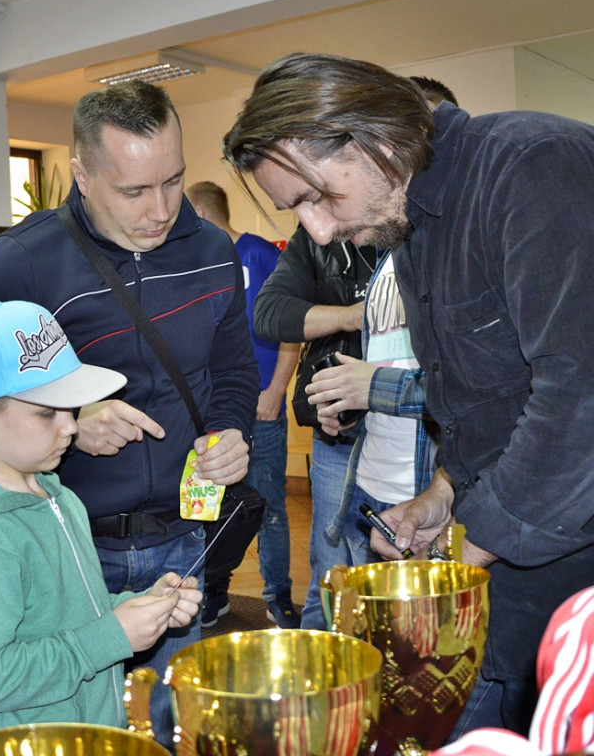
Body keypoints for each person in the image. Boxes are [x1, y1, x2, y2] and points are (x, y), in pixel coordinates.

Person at [222, 51, 594, 736]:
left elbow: (579, 401)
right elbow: (493, 400)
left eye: (317, 196)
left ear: (374, 143)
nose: (318, 229)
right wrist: (445, 492)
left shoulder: (530, 168)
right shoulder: (412, 226)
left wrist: (466, 546)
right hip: (512, 576)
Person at [0, 80, 258, 747]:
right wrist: (73, 424)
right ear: (81, 173)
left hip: (183, 537)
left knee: (168, 732)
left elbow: (235, 372)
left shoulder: (213, 250)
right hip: (66, 544)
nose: (161, 209)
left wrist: (232, 433)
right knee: (63, 726)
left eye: (173, 180)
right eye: (134, 191)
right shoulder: (24, 259)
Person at [0, 299, 201, 739]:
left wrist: (141, 606)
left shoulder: (57, 494)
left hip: (86, 734)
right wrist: (111, 637)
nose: (72, 427)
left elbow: (72, 612)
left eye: (70, 406)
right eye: (45, 412)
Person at [302, 76, 454, 584]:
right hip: (367, 481)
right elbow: (391, 362)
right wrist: (350, 407)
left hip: (427, 492)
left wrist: (373, 387)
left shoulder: (457, 258)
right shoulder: (394, 253)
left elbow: (482, 394)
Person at [185, 180, 300, 629]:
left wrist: (275, 391)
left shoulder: (264, 255)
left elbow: (291, 326)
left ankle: (279, 594)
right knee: (210, 506)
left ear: (200, 212)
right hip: (210, 416)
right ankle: (215, 592)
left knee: (269, 506)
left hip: (262, 410)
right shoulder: (197, 264)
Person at [252, 223, 376, 630]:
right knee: (328, 566)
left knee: (377, 578)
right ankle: (315, 674)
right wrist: (352, 317)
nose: (313, 217)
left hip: (412, 441)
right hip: (335, 434)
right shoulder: (318, 236)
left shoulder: (412, 227)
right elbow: (270, 314)